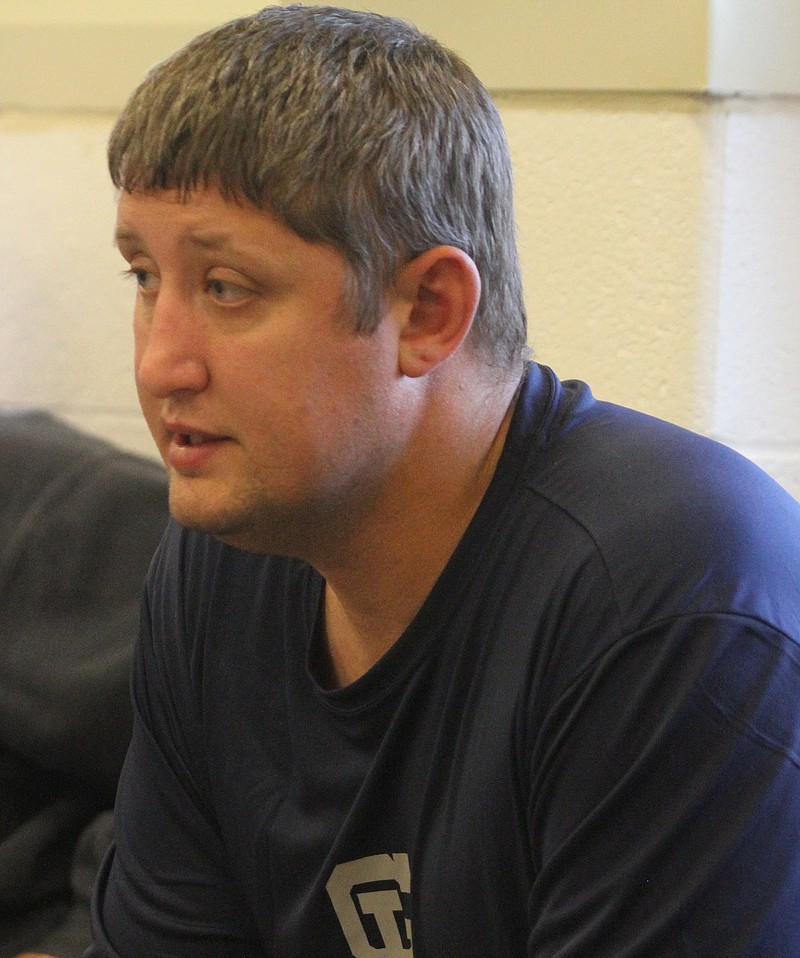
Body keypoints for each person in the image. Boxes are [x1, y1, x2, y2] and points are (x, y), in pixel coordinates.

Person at [84, 5, 800, 956]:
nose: (160, 364)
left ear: (428, 311)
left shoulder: (675, 596)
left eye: (226, 288)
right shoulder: (223, 560)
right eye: (143, 278)